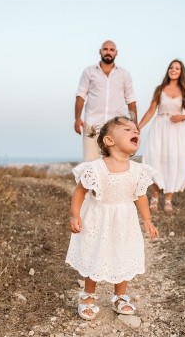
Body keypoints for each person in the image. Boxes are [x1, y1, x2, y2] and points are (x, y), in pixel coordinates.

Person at [65, 113, 159, 320]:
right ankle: (88, 296)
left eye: (136, 130)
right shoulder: (95, 168)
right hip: (97, 219)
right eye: (127, 129)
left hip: (124, 221)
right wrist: (75, 215)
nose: (135, 131)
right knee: (94, 254)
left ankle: (120, 296)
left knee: (122, 255)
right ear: (109, 141)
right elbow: (80, 191)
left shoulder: (137, 170)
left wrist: (148, 220)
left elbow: (141, 196)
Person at [138, 59, 185, 212]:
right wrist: (138, 127)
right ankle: (155, 198)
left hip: (176, 129)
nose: (173, 70)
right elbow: (151, 111)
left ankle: (168, 200)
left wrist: (181, 117)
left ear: (181, 72)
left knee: (173, 161)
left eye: (177, 68)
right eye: (171, 67)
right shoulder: (160, 89)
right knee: (155, 159)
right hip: (160, 126)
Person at [74, 41, 137, 162]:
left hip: (116, 127)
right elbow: (81, 95)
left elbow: (131, 100)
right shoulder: (89, 72)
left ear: (116, 53)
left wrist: (134, 123)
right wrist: (77, 118)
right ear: (100, 51)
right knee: (90, 164)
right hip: (92, 125)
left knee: (115, 163)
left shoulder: (124, 74)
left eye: (111, 50)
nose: (108, 52)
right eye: (105, 49)